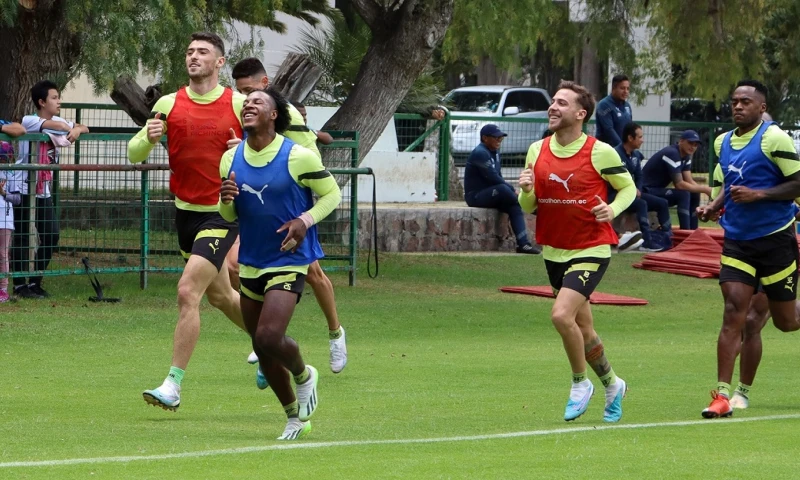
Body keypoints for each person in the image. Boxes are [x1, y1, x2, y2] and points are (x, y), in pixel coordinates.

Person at [128, 32, 248, 411]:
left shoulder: (239, 103)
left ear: (220, 62)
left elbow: (272, 149)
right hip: (185, 214)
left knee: (186, 292)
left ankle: (172, 384)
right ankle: (272, 343)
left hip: (222, 211)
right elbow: (134, 154)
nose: (194, 57)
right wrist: (148, 137)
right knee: (222, 297)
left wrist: (243, 149)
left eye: (203, 52)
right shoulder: (168, 103)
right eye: (190, 51)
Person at [219, 87, 341, 440]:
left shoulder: (297, 156)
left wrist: (305, 220)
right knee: (261, 346)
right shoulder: (230, 159)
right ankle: (294, 418)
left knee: (270, 335)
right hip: (251, 260)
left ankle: (304, 374)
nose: (249, 105)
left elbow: (332, 194)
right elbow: (229, 213)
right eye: (246, 102)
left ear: (274, 115)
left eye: (258, 101)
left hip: (288, 257)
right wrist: (225, 201)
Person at [518, 81, 634, 422]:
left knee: (560, 316)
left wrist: (612, 210)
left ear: (580, 114)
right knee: (584, 330)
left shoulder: (600, 152)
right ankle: (613, 384)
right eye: (553, 102)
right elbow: (529, 204)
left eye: (562, 103)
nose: (553, 107)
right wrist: (525, 190)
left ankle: (580, 382)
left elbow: (628, 189)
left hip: (591, 247)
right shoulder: (536, 150)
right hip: (553, 250)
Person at [231, 57, 347, 375]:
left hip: (292, 199)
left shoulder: (286, 114)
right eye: (241, 92)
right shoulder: (247, 112)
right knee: (234, 265)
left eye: (252, 90)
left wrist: (305, 215)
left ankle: (335, 333)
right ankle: (267, 341)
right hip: (260, 199)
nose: (246, 98)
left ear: (265, 84)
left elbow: (304, 153)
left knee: (312, 273)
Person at [696, 79, 800, 418]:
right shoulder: (722, 142)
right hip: (738, 241)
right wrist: (713, 207)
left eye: (746, 101)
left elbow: (798, 182)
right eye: (734, 101)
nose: (738, 106)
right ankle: (722, 396)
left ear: (762, 108)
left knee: (786, 322)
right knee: (734, 314)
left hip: (776, 241)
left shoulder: (775, 139)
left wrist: (761, 195)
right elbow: (729, 181)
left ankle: (738, 391)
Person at [11, 81, 89, 299]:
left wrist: (77, 129)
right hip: (23, 187)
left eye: (59, 97)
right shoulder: (31, 120)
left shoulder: (57, 120)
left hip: (42, 189)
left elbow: (84, 127)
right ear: (41, 102)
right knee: (23, 236)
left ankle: (35, 281)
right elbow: (58, 127)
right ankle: (19, 285)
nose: (59, 101)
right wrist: (69, 127)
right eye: (54, 98)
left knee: (51, 234)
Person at [464, 124, 540, 254]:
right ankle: (534, 209)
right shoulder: (480, 153)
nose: (499, 140)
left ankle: (523, 244)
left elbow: (498, 175)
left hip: (494, 193)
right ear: (485, 138)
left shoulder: (495, 152)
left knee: (514, 207)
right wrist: (512, 190)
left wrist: (509, 190)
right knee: (504, 189)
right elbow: (493, 177)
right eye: (496, 138)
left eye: (501, 138)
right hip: (475, 196)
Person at [612, 122, 672, 251]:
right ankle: (646, 242)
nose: (642, 140)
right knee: (641, 204)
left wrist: (637, 188)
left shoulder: (636, 155)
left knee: (662, 203)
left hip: (631, 193)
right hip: (615, 195)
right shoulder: (615, 154)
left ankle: (668, 237)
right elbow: (614, 179)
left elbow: (639, 175)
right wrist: (631, 190)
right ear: (630, 138)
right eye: (640, 137)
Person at [642, 129, 712, 230]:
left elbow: (689, 181)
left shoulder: (686, 156)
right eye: (690, 143)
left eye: (696, 145)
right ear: (681, 141)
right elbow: (679, 184)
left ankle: (693, 230)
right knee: (683, 194)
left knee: (694, 193)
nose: (693, 147)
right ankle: (685, 231)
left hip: (656, 190)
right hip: (646, 190)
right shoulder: (672, 153)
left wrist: (704, 190)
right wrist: (705, 189)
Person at [0, 141, 22, 303]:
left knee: (2, 254)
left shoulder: (12, 173)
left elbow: (17, 199)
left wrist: (3, 192)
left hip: (4, 220)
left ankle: (3, 288)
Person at [595, 74, 632, 147]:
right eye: (622, 88)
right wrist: (622, 148)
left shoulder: (627, 106)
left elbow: (630, 127)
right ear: (613, 88)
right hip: (606, 149)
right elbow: (609, 130)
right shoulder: (604, 105)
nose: (626, 91)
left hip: (623, 149)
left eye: (627, 88)